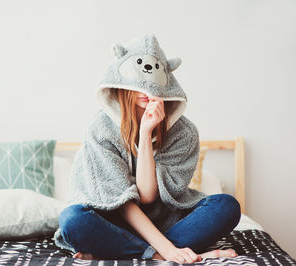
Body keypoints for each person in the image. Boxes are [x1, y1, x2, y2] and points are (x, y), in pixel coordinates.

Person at [53, 34, 241, 264]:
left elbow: (148, 196)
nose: (145, 90)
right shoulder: (99, 129)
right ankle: (157, 253)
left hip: (165, 221)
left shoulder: (184, 133)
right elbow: (122, 205)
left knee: (226, 206)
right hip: (112, 221)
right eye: (137, 83)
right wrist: (168, 251)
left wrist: (145, 135)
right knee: (73, 220)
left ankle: (124, 250)